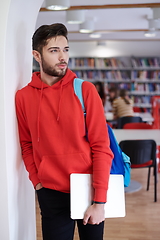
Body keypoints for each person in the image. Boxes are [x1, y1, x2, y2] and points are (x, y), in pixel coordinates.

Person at [15, 23, 113, 240]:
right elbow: (26, 144)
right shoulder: (23, 97)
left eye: (65, 49)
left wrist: (100, 201)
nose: (62, 57)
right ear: (36, 55)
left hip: (89, 188)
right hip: (50, 191)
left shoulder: (85, 90)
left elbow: (101, 147)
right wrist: (37, 182)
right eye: (54, 50)